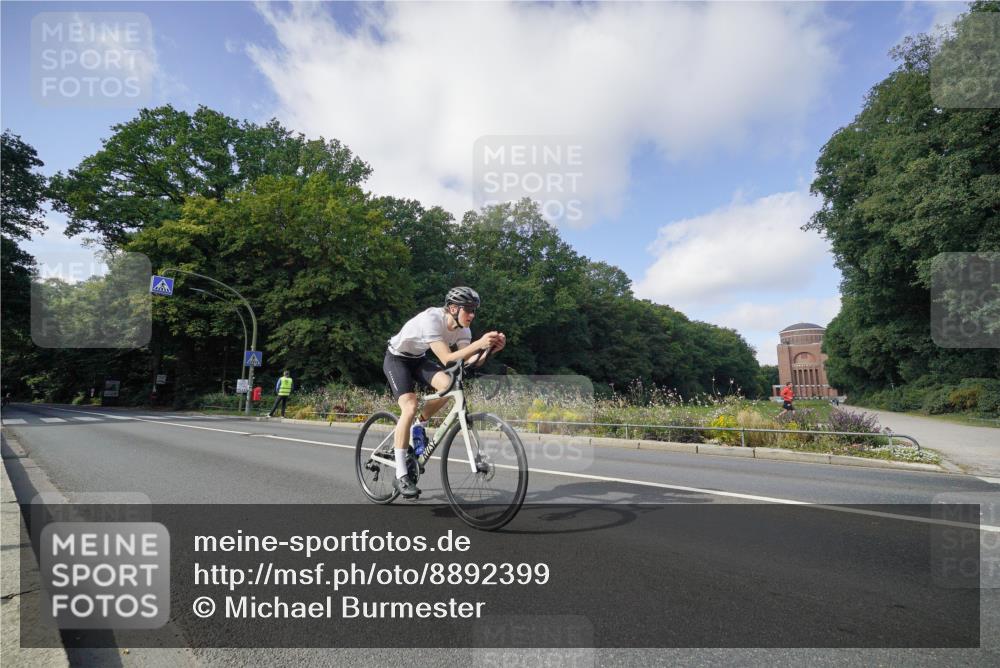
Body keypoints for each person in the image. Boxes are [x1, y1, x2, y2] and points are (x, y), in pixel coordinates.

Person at [383, 287, 506, 498]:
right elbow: (447, 359)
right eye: (468, 310)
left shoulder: (464, 330)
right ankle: (401, 473)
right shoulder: (431, 319)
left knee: (449, 386)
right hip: (397, 359)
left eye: (474, 310)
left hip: (418, 359)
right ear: (452, 308)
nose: (472, 315)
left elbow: (466, 362)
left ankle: (419, 425)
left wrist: (489, 350)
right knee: (410, 405)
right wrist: (479, 343)